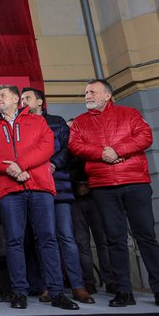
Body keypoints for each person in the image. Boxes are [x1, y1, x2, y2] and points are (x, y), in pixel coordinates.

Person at [0, 85, 79, 310]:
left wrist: (21, 165)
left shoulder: (37, 121)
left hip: (40, 186)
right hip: (9, 190)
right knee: (14, 241)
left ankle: (56, 291)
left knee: (48, 239)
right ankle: (19, 292)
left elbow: (46, 148)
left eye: (2, 95)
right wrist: (11, 171)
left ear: (16, 99)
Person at [68, 79, 158, 307]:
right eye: (86, 92)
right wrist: (103, 153)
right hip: (103, 187)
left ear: (107, 95)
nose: (87, 95)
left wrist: (117, 150)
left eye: (92, 92)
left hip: (134, 182)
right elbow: (75, 146)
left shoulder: (129, 113)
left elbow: (145, 136)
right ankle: (124, 292)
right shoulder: (79, 123)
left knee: (146, 236)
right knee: (115, 239)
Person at [20, 87, 94, 304]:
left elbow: (68, 148)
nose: (23, 102)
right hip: (34, 188)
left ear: (40, 101)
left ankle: (78, 285)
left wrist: (53, 164)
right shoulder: (21, 125)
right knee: (42, 239)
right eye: (21, 98)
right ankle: (50, 286)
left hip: (59, 187)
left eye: (27, 98)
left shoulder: (57, 121)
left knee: (66, 238)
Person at [66, 118, 115, 295]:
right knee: (81, 243)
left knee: (103, 241)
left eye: (74, 128)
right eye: (69, 129)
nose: (72, 131)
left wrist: (88, 184)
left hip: (96, 197)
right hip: (74, 200)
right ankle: (88, 282)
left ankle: (110, 281)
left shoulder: (92, 146)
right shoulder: (65, 150)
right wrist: (77, 185)